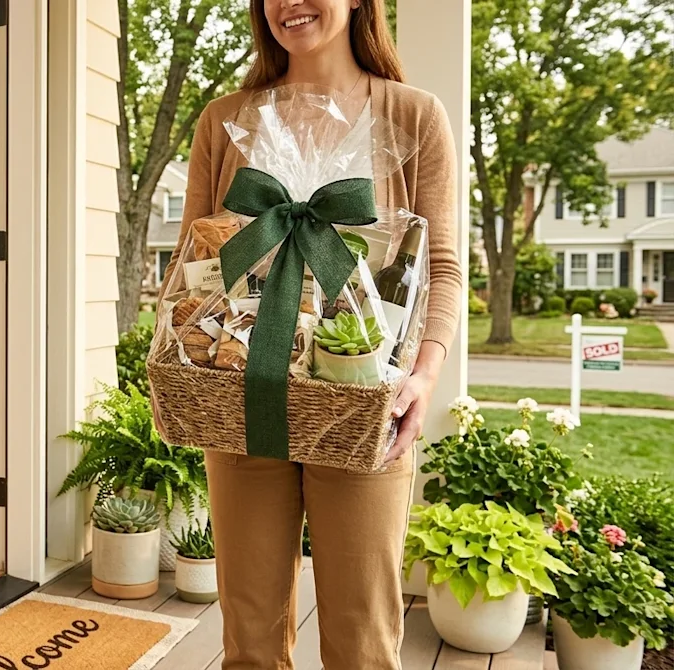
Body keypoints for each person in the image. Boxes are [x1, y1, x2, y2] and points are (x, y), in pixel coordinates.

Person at [160, 0, 463, 668]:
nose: (290, 3)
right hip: (241, 403)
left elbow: (441, 267)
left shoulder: (413, 116)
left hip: (362, 406)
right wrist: (179, 356)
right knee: (249, 640)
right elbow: (194, 262)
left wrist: (424, 375)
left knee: (363, 641)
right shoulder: (225, 120)